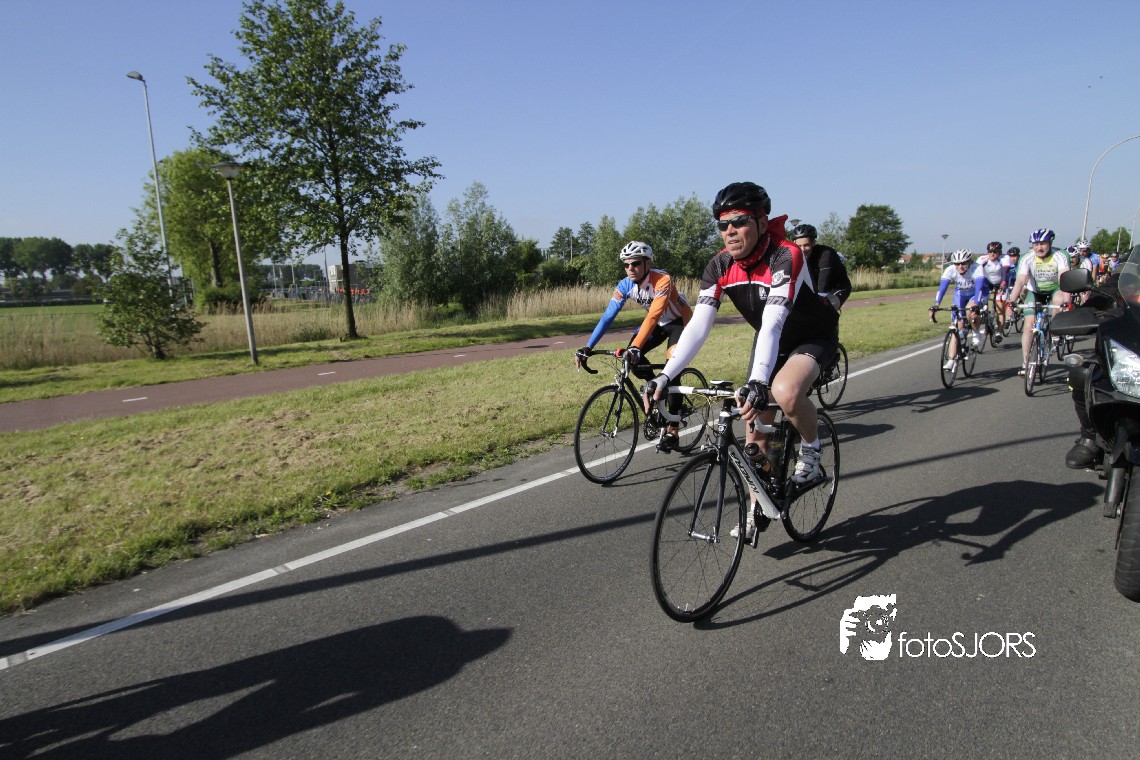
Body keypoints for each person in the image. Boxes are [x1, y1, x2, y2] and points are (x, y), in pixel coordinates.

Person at [643, 181, 839, 536]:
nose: (730, 230)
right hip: (769, 342)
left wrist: (759, 381)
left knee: (785, 391)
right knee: (753, 438)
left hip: (812, 335)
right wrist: (666, 376)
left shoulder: (785, 255)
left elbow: (774, 320)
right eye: (723, 224)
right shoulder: (719, 266)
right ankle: (756, 507)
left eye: (739, 221)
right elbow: (698, 327)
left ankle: (811, 451)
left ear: (762, 223)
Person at [575, 241, 693, 450]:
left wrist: (636, 346)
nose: (630, 268)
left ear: (648, 263)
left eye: (636, 263)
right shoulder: (625, 285)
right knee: (630, 359)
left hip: (679, 323)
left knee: (672, 370)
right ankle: (655, 388)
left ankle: (673, 428)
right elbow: (608, 317)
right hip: (657, 324)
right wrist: (588, 347)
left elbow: (654, 314)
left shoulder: (662, 280)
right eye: (626, 264)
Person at [1005, 228, 1071, 376]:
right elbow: (1020, 280)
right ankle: (1026, 362)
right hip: (1034, 292)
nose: (1039, 248)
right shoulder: (1027, 257)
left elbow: (1064, 278)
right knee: (1028, 326)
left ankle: (1056, 331)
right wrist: (1011, 301)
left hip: (1055, 289)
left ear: (1050, 243)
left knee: (1059, 300)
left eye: (1042, 244)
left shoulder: (1060, 255)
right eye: (1035, 244)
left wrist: (1067, 303)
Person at [929, 248, 984, 367]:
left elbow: (979, 288)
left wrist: (976, 304)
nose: (960, 267)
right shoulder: (950, 270)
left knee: (970, 310)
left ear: (969, 262)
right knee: (956, 327)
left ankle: (976, 331)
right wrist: (936, 304)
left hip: (975, 294)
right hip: (960, 295)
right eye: (957, 264)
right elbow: (942, 288)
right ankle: (951, 359)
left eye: (963, 263)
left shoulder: (976, 268)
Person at [790, 223, 852, 310]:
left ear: (813, 243)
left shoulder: (825, 254)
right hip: (816, 288)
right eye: (799, 246)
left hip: (836, 287)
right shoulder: (793, 257)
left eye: (806, 245)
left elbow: (823, 285)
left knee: (824, 309)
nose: (803, 249)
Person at [975, 242, 1009, 343]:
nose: (992, 254)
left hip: (1000, 284)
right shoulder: (982, 259)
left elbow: (1005, 273)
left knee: (999, 308)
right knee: (982, 303)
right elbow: (977, 273)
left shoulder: (1004, 258)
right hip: (987, 284)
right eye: (990, 252)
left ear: (999, 252)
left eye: (995, 252)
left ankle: (999, 332)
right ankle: (986, 321)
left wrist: (1003, 284)